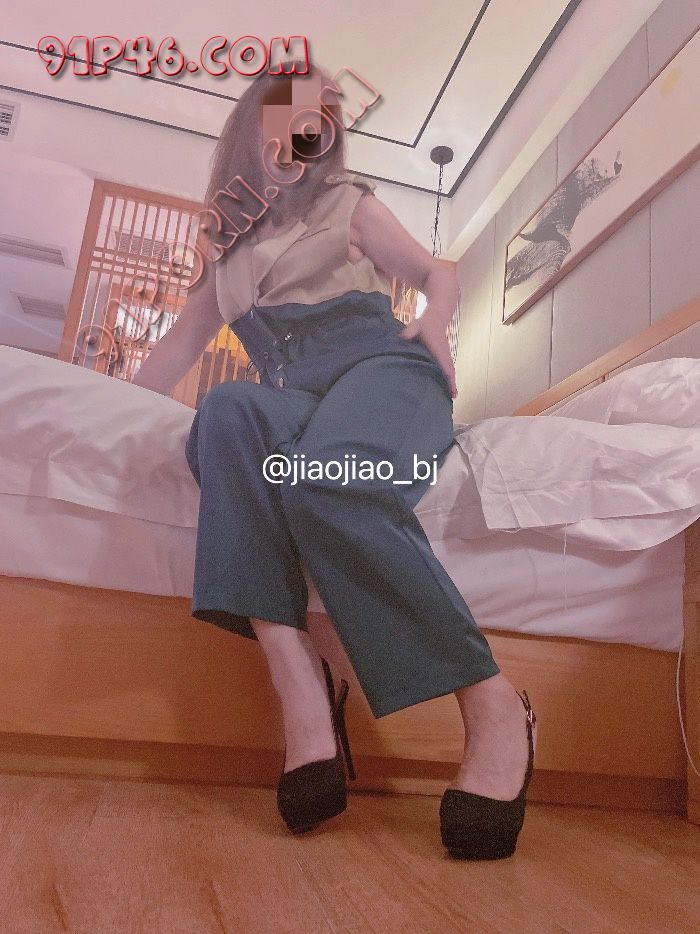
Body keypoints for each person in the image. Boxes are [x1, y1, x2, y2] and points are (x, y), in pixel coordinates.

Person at [133, 61, 536, 859]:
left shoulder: (348, 203)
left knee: (327, 482)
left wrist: (435, 321)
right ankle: (299, 679)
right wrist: (95, 399)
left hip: (383, 372)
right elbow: (180, 343)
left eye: (325, 114)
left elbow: (437, 271)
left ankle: (492, 698)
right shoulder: (225, 242)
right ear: (255, 121)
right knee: (227, 410)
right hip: (290, 393)